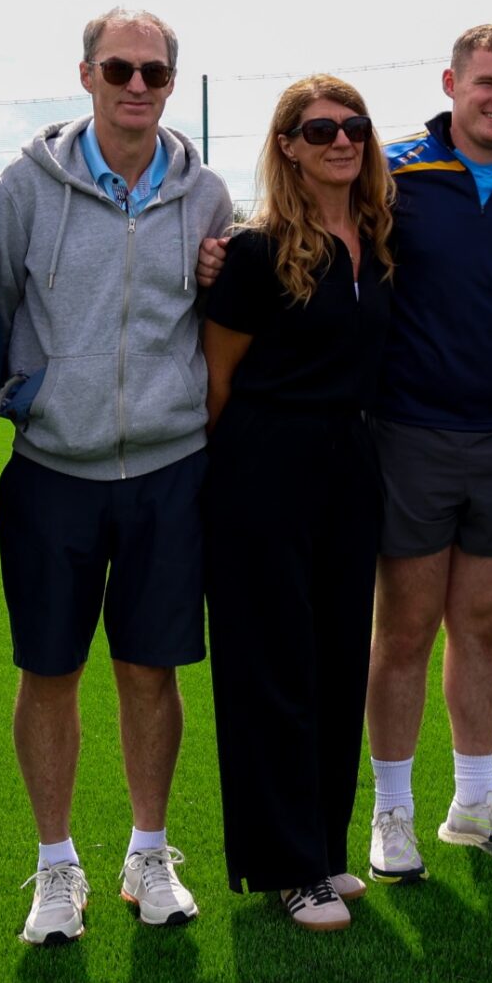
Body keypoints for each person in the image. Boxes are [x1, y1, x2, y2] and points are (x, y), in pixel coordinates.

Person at [0, 8, 235, 945]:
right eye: (120, 69)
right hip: (52, 469)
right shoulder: (25, 186)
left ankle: (148, 853)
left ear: (171, 81)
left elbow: (215, 312)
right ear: (86, 74)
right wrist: (27, 397)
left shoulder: (207, 195)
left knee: (149, 671)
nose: (138, 86)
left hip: (169, 471)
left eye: (155, 72)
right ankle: (57, 866)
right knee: (49, 671)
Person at [363, 26, 492, 881]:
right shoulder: (392, 170)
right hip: (409, 436)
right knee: (405, 630)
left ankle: (474, 804)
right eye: (488, 83)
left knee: (483, 627)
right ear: (452, 84)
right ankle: (391, 811)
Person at [201, 77, 395, 932]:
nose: (341, 141)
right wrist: (236, 478)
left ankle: (323, 848)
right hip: (263, 463)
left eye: (354, 127)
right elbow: (218, 381)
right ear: (287, 145)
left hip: (351, 461)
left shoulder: (379, 240)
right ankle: (287, 867)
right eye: (319, 130)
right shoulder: (253, 251)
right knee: (272, 665)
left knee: (338, 658)